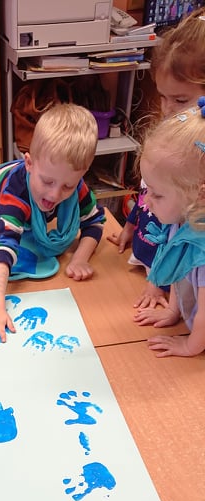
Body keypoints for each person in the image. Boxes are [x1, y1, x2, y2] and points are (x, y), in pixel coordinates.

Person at [0, 102, 105, 344]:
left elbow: (95, 222)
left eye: (67, 186)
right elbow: (3, 246)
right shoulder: (16, 194)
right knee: (13, 227)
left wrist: (79, 259)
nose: (55, 195)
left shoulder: (74, 185)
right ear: (29, 163)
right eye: (47, 181)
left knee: (33, 217)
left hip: (30, 196)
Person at [107, 8, 205, 309]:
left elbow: (186, 237)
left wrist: (159, 285)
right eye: (162, 96)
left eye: (180, 99)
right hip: (154, 269)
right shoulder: (173, 133)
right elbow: (148, 193)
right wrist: (129, 227)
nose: (167, 109)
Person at [133, 104, 205, 357]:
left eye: (157, 194)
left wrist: (189, 346)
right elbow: (178, 269)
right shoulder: (183, 219)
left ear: (200, 195)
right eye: (147, 189)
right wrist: (173, 311)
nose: (146, 201)